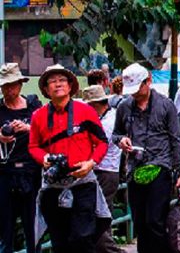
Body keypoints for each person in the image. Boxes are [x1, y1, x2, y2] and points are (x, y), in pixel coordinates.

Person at [28, 65, 110, 252]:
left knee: (82, 237)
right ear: (46, 89)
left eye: (62, 80)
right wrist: (44, 157)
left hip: (83, 183)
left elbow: (102, 142)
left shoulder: (86, 111)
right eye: (52, 81)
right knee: (59, 240)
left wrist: (91, 163)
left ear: (70, 85)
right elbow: (33, 146)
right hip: (53, 185)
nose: (58, 84)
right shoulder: (38, 116)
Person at [112, 63, 180, 252]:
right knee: (140, 222)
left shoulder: (165, 105)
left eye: (138, 88)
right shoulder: (124, 107)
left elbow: (176, 139)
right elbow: (116, 134)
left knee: (155, 220)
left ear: (148, 81)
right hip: (135, 169)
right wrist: (121, 141)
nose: (135, 94)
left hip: (160, 166)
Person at [0, 64, 42, 253]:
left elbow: (47, 131)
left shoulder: (33, 106)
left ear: (20, 84)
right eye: (5, 86)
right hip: (5, 172)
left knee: (32, 227)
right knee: (5, 228)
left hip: (31, 171)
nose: (9, 90)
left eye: (12, 85)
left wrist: (28, 128)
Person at [81, 85, 125, 253]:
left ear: (95, 104)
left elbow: (95, 145)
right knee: (104, 214)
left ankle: (111, 250)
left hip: (105, 171)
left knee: (98, 216)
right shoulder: (109, 116)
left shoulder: (107, 123)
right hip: (105, 170)